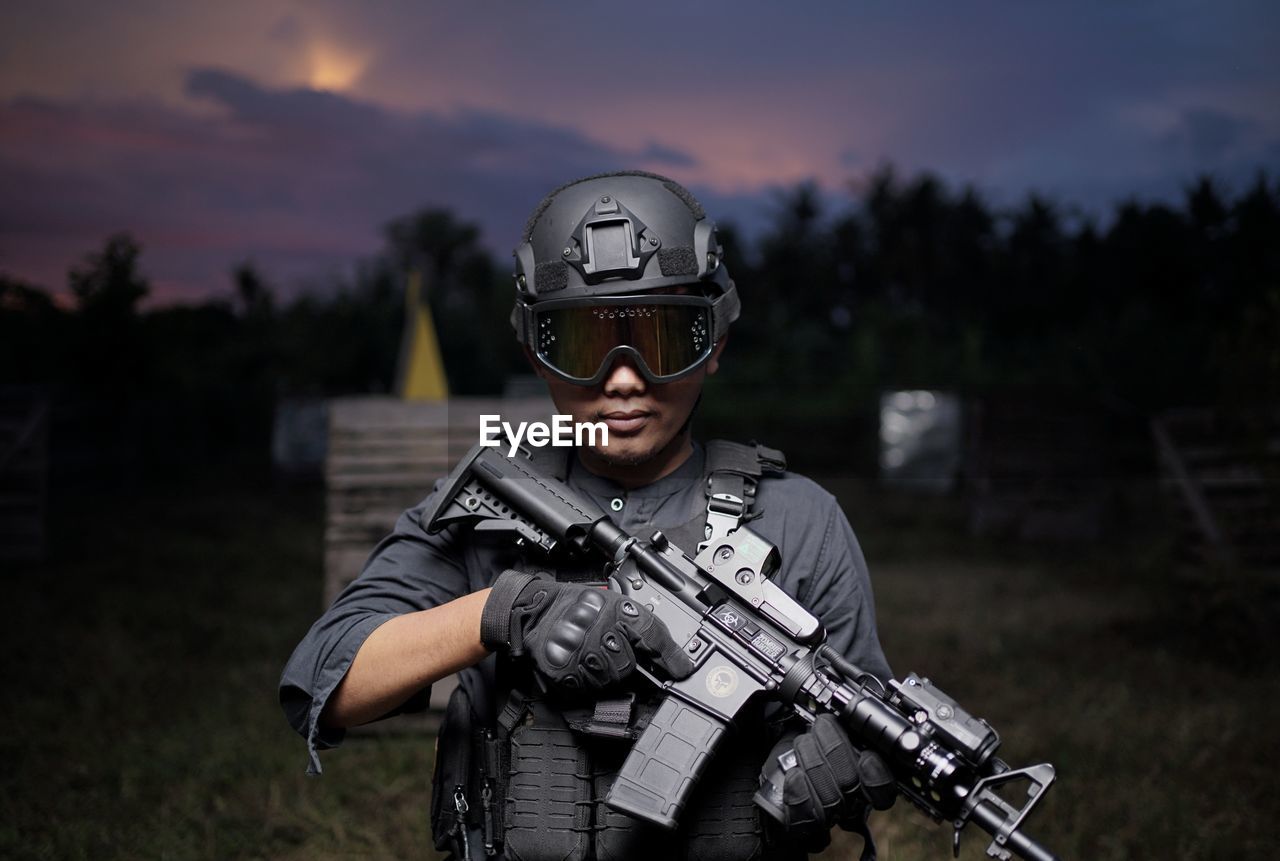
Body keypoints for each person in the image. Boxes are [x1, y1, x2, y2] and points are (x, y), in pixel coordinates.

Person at [281, 171, 895, 860]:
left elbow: (866, 731)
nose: (624, 377)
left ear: (715, 343)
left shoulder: (800, 519)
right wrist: (504, 609)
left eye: (660, 339)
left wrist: (847, 764)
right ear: (535, 354)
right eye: (583, 344)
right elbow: (327, 683)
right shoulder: (490, 507)